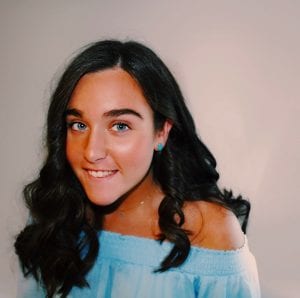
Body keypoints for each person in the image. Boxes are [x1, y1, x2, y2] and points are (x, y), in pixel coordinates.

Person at [15, 40, 260, 298]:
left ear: (161, 132)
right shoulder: (55, 216)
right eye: (78, 125)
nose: (91, 152)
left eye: (120, 126)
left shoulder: (211, 233)